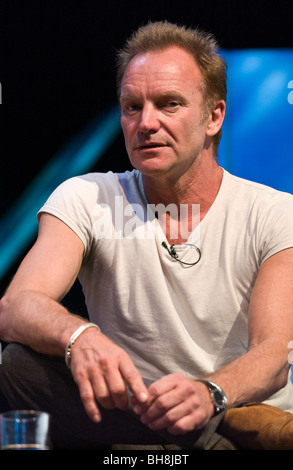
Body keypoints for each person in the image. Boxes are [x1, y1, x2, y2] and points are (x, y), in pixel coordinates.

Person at [1, 20, 293, 449]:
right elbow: (15, 306)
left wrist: (207, 394)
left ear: (214, 116)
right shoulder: (88, 195)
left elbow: (273, 357)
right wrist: (79, 336)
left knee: (241, 425)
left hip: (228, 409)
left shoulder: (275, 211)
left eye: (168, 104)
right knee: (18, 365)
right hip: (137, 414)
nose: (146, 123)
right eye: (132, 106)